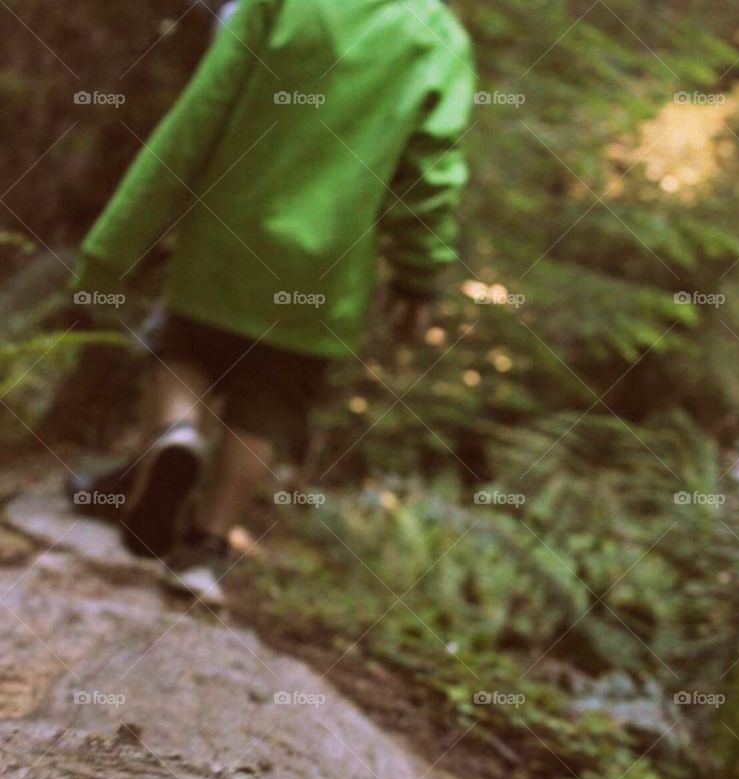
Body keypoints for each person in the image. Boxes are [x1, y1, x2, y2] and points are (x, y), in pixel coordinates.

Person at [70, 0, 475, 605]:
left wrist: (112, 250)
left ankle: (175, 438)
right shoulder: (436, 34)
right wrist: (419, 276)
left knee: (182, 353)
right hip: (326, 268)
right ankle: (203, 554)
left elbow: (200, 116)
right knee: (267, 405)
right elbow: (430, 176)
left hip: (224, 236)